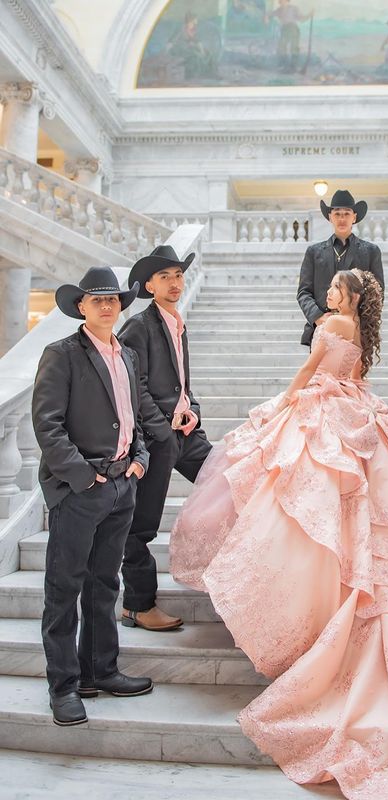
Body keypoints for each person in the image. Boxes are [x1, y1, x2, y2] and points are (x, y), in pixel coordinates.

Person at [170, 268, 388, 800]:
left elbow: (309, 367)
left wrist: (284, 402)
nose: (328, 296)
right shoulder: (360, 329)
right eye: (329, 289)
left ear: (350, 297)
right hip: (354, 407)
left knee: (296, 496)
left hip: (334, 408)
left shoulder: (332, 322)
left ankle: (327, 605)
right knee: (350, 506)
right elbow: (350, 374)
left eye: (335, 289)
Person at [32, 266, 152, 727]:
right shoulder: (61, 354)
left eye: (113, 299)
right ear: (81, 307)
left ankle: (99, 671)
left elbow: (134, 414)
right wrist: (82, 478)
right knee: (64, 591)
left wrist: (138, 459)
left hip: (123, 485)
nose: (107, 305)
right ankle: (62, 686)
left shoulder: (128, 356)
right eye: (97, 299)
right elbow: (48, 425)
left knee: (105, 585)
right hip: (80, 491)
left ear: (122, 306)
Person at [118, 245, 212, 632]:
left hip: (185, 432)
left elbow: (179, 383)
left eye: (178, 275)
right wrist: (160, 429)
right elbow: (132, 383)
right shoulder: (138, 327)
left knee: (228, 478)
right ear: (149, 285)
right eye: (165, 277)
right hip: (157, 437)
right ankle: (137, 606)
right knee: (141, 524)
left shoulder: (176, 321)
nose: (175, 283)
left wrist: (193, 411)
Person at [297, 189, 384, 347]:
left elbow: (377, 293)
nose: (342, 218)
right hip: (322, 327)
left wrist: (356, 321)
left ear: (354, 217)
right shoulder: (313, 252)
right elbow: (303, 292)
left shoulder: (371, 251)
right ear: (330, 217)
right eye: (337, 214)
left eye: (346, 213)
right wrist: (319, 317)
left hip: (356, 330)